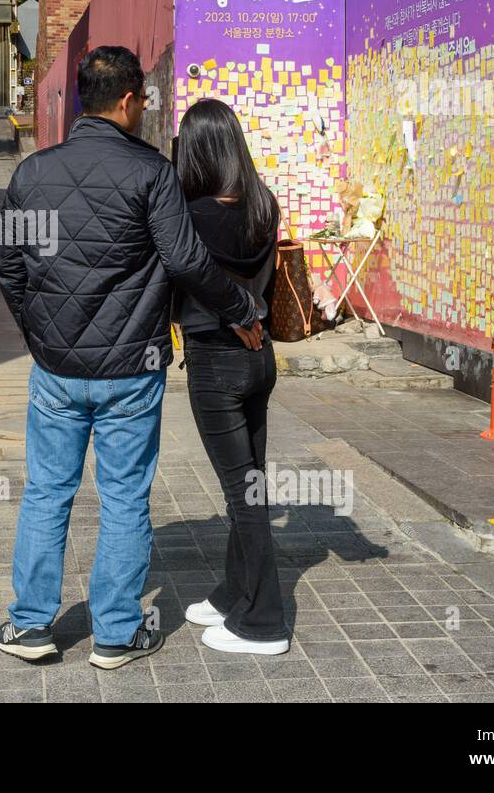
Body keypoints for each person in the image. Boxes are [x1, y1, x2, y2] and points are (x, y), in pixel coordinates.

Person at [0, 47, 263, 670]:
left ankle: (31, 626)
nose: (142, 110)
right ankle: (115, 634)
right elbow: (187, 261)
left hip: (56, 369)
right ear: (126, 101)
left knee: (46, 494)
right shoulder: (152, 174)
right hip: (131, 372)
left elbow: (8, 266)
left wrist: (36, 332)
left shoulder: (32, 175)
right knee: (123, 498)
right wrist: (241, 310)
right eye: (141, 100)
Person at [173, 98, 290, 655]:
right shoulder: (264, 206)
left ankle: (264, 622)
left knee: (243, 493)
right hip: (260, 358)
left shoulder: (189, 215)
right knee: (251, 482)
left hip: (216, 361)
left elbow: (185, 279)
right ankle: (234, 593)